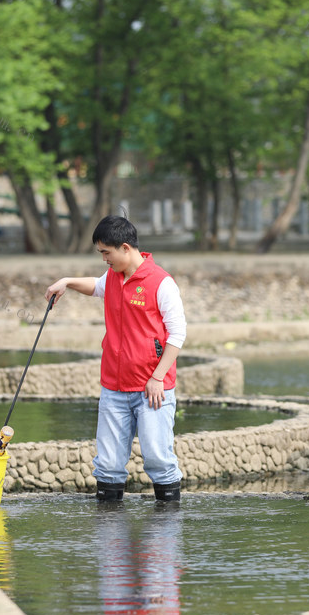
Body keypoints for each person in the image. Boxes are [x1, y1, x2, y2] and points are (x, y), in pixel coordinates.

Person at [45, 215, 186, 503]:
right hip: (114, 386)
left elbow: (177, 334)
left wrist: (157, 377)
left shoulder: (161, 283)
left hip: (151, 388)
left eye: (106, 253)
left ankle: (166, 535)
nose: (104, 260)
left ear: (125, 248)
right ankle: (110, 539)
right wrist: (67, 282)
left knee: (158, 459)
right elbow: (96, 285)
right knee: (108, 465)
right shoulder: (113, 278)